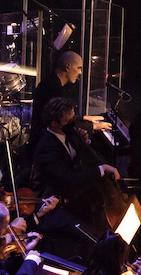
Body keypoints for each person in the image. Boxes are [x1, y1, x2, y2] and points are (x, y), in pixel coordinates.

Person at [32, 96, 122, 242]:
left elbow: (76, 162)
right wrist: (101, 169)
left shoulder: (68, 135)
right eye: (68, 123)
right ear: (54, 123)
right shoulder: (47, 148)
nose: (72, 126)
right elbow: (70, 179)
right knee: (92, 238)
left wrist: (83, 144)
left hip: (73, 201)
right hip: (54, 208)